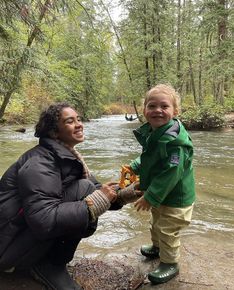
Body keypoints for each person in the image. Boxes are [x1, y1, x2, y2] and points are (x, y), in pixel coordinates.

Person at [0, 102, 139, 290]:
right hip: (7, 249)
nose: (79, 124)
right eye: (70, 121)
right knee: (84, 189)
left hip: (19, 239)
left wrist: (126, 194)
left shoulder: (67, 156)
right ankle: (49, 265)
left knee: (86, 188)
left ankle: (51, 261)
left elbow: (98, 189)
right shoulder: (39, 162)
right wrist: (96, 201)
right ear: (54, 133)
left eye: (79, 119)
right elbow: (43, 220)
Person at [127, 84, 196, 284]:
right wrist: (135, 166)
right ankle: (158, 248)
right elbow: (151, 159)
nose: (158, 110)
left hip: (176, 197)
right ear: (144, 110)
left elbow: (171, 172)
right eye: (152, 105)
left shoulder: (175, 142)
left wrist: (151, 196)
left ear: (175, 112)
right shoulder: (155, 132)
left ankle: (170, 263)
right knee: (156, 223)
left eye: (164, 106)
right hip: (162, 195)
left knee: (167, 228)